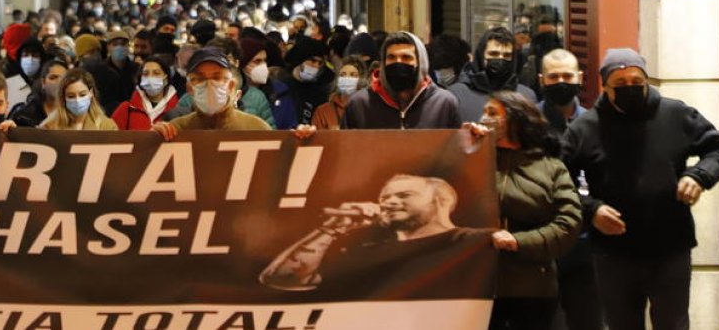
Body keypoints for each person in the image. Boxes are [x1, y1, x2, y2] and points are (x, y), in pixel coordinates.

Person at [561, 48, 719, 330]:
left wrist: (699, 176)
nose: (630, 89)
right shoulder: (584, 128)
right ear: (606, 87)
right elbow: (559, 180)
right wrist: (591, 209)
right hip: (613, 253)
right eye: (621, 85)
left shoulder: (676, 114)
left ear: (646, 81)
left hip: (670, 247)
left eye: (636, 83)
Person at [257, 174, 492, 299]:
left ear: (443, 200)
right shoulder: (363, 252)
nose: (389, 202)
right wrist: (331, 229)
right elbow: (281, 279)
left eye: (404, 195)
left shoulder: (473, 241)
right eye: (385, 198)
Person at [470, 91, 582, 330]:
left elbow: (568, 225)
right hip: (480, 288)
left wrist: (518, 242)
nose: (483, 117)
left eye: (493, 113)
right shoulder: (476, 159)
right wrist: (462, 145)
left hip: (532, 290)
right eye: (484, 112)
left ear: (516, 120)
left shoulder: (551, 168)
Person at [534, 49, 603, 330]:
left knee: (588, 319)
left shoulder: (596, 122)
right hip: (543, 240)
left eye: (567, 76)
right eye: (553, 77)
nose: (561, 81)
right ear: (541, 79)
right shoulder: (528, 123)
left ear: (580, 78)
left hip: (588, 242)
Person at [340, 32, 462, 130]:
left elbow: (457, 153)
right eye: (391, 57)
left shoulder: (443, 103)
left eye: (406, 57)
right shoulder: (360, 104)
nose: (398, 62)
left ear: (420, 64)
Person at [153, 48, 275, 139]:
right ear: (190, 88)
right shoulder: (175, 130)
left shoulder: (256, 128)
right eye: (200, 79)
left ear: (231, 86)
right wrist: (151, 140)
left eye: (217, 77)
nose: (209, 84)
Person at [449, 27, 538, 123]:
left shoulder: (526, 96)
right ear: (481, 56)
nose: (500, 59)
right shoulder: (456, 94)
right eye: (494, 54)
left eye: (507, 55)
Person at [270, 35, 334, 129]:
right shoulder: (280, 87)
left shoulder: (320, 93)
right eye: (312, 61)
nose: (316, 66)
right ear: (300, 60)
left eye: (320, 63)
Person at [111, 55, 180, 130]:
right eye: (145, 74)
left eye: (156, 73)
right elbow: (111, 138)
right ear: (140, 79)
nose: (150, 77)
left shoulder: (178, 111)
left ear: (166, 79)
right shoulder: (126, 109)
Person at [40, 68, 118, 131]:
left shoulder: (107, 127)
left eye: (82, 94)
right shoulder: (49, 127)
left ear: (91, 93)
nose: (77, 100)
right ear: (63, 97)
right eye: (71, 96)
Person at [311, 56, 368, 130]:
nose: (347, 78)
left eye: (353, 75)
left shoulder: (368, 110)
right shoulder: (322, 112)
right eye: (343, 75)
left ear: (361, 80)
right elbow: (318, 140)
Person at [9, 58, 68, 127]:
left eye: (63, 78)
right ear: (43, 82)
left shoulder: (73, 112)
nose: (59, 82)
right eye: (53, 78)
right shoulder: (24, 115)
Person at [5, 39, 45, 109]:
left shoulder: (47, 84)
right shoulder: (9, 85)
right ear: (19, 59)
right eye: (25, 55)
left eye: (35, 55)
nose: (30, 59)